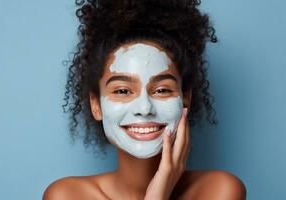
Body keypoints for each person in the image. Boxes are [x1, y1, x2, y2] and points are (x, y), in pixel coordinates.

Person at [43, 0, 246, 199]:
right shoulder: (67, 195)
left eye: (161, 90)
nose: (144, 107)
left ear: (185, 99)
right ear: (96, 105)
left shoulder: (219, 191)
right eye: (122, 91)